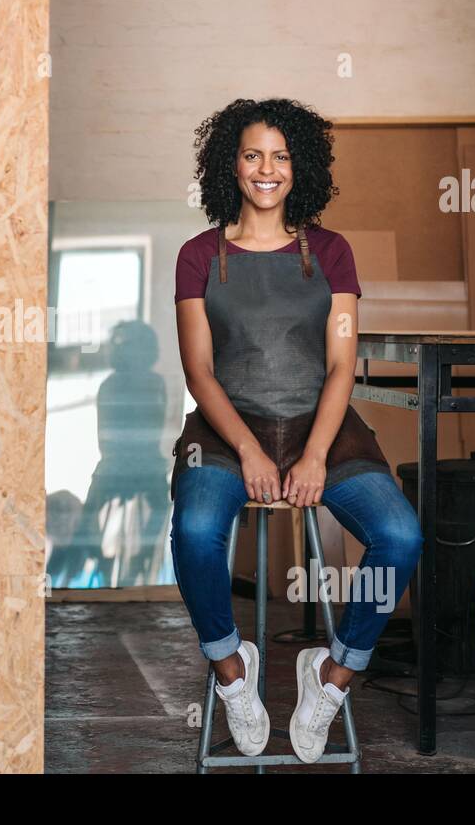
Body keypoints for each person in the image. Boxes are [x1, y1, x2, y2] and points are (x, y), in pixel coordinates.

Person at [168, 98, 424, 762]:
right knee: (195, 531)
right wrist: (250, 449)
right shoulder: (198, 255)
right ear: (231, 163)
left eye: (281, 156)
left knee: (400, 534)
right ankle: (232, 673)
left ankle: (332, 680)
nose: (266, 169)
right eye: (253, 154)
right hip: (227, 433)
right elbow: (199, 372)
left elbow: (342, 364)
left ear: (298, 166)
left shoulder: (332, 252)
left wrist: (313, 456)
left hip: (326, 429)